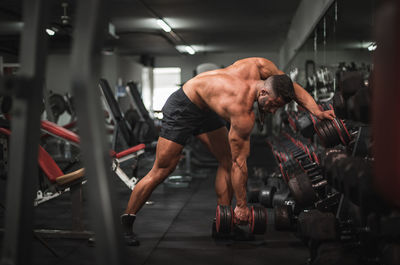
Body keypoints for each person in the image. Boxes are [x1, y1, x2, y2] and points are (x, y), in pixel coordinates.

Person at [120, 57, 335, 245]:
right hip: (183, 106)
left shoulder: (261, 66)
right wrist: (242, 206)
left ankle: (223, 225)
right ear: (263, 91)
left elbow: (292, 87)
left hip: (207, 108)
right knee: (163, 169)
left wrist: (316, 110)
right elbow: (240, 162)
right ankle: (126, 223)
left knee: (225, 160)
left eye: (277, 107)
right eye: (272, 105)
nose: (272, 110)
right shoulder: (242, 112)